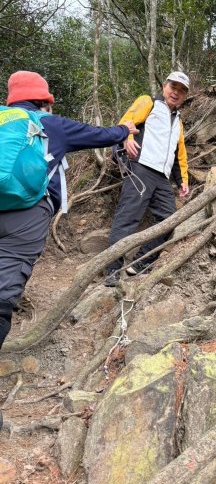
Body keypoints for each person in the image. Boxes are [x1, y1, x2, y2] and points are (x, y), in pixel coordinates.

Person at [0, 71, 137, 353]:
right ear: (44, 101)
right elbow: (100, 135)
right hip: (27, 214)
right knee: (3, 294)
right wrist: (125, 130)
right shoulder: (50, 123)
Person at [105, 71, 190, 286]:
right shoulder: (148, 102)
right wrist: (127, 137)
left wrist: (183, 180)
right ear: (165, 87)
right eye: (173, 87)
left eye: (181, 91)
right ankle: (112, 270)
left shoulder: (178, 121)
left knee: (169, 220)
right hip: (140, 167)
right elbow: (127, 121)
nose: (175, 93)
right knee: (128, 218)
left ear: (185, 96)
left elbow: (179, 153)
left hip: (162, 177)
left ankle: (140, 263)